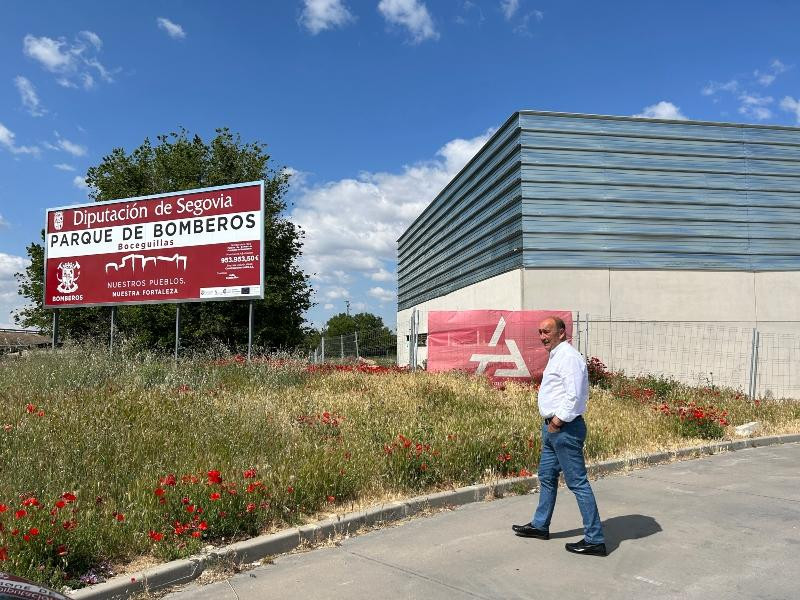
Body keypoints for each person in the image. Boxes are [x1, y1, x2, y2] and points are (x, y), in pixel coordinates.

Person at [512, 316, 607, 556]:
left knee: (578, 483)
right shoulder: (557, 356)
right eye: (540, 332)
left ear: (562, 333)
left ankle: (595, 539)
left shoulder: (569, 358)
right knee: (546, 476)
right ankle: (540, 525)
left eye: (547, 332)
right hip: (554, 429)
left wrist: (556, 422)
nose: (543, 336)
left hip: (564, 428)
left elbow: (575, 395)